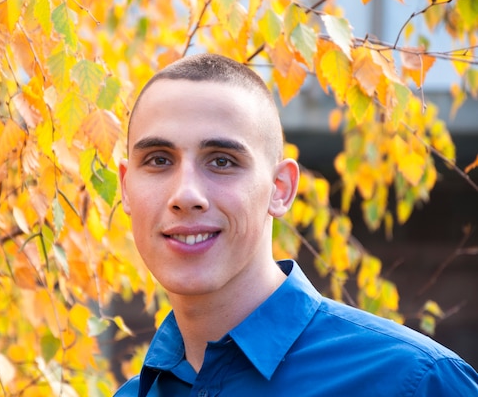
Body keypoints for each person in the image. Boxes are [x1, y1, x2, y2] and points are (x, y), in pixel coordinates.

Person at [114, 53, 478, 396]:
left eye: (222, 161)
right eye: (159, 160)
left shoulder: (413, 381)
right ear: (126, 188)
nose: (186, 194)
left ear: (280, 189)